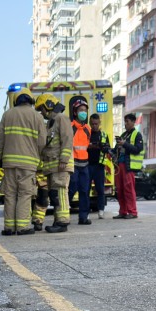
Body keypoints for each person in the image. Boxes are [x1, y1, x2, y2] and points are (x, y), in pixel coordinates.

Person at [0, 87, 47, 235]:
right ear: (30, 100)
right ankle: (23, 227)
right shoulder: (37, 117)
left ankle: (9, 228)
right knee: (24, 194)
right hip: (28, 163)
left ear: (17, 100)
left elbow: (0, 139)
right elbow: (42, 141)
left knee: (10, 194)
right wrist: (38, 156)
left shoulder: (7, 114)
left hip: (9, 163)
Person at [32, 94, 73, 233]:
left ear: (48, 105)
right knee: (54, 194)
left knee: (60, 192)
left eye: (41, 109)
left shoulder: (61, 118)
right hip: (52, 167)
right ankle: (58, 220)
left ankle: (62, 222)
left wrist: (64, 160)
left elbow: (67, 139)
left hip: (59, 165)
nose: (41, 113)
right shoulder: (52, 122)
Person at [67, 97, 93, 226]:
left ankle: (83, 217)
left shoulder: (88, 129)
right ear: (75, 112)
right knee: (71, 190)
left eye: (85, 110)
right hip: (73, 165)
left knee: (84, 192)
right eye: (81, 110)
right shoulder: (70, 127)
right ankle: (63, 216)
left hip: (85, 165)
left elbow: (86, 145)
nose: (84, 113)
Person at [113, 113, 144, 219]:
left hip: (128, 166)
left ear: (133, 122)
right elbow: (115, 150)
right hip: (119, 165)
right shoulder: (123, 135)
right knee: (120, 189)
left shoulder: (137, 135)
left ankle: (132, 212)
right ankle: (123, 211)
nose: (125, 124)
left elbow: (137, 149)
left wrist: (124, 144)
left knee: (128, 189)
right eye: (124, 122)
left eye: (127, 122)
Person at [87, 112, 110, 219]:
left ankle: (101, 210)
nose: (94, 126)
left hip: (99, 166)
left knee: (100, 189)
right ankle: (85, 210)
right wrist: (91, 146)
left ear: (99, 123)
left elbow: (108, 148)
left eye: (96, 124)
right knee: (85, 189)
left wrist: (103, 147)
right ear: (90, 123)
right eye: (92, 124)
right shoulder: (86, 134)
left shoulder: (104, 135)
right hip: (86, 165)